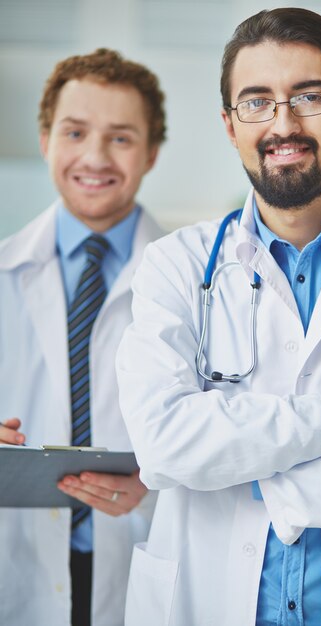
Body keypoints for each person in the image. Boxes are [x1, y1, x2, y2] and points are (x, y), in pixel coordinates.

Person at [116, 7, 321, 626]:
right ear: (230, 125)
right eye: (256, 102)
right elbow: (165, 442)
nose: (283, 124)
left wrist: (240, 469)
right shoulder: (175, 266)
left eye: (309, 97)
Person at [0, 48, 165, 626]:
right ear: (45, 139)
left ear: (151, 152)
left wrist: (158, 480)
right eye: (75, 132)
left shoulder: (200, 286)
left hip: (140, 561)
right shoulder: (5, 272)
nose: (95, 157)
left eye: (121, 138)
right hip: (17, 567)